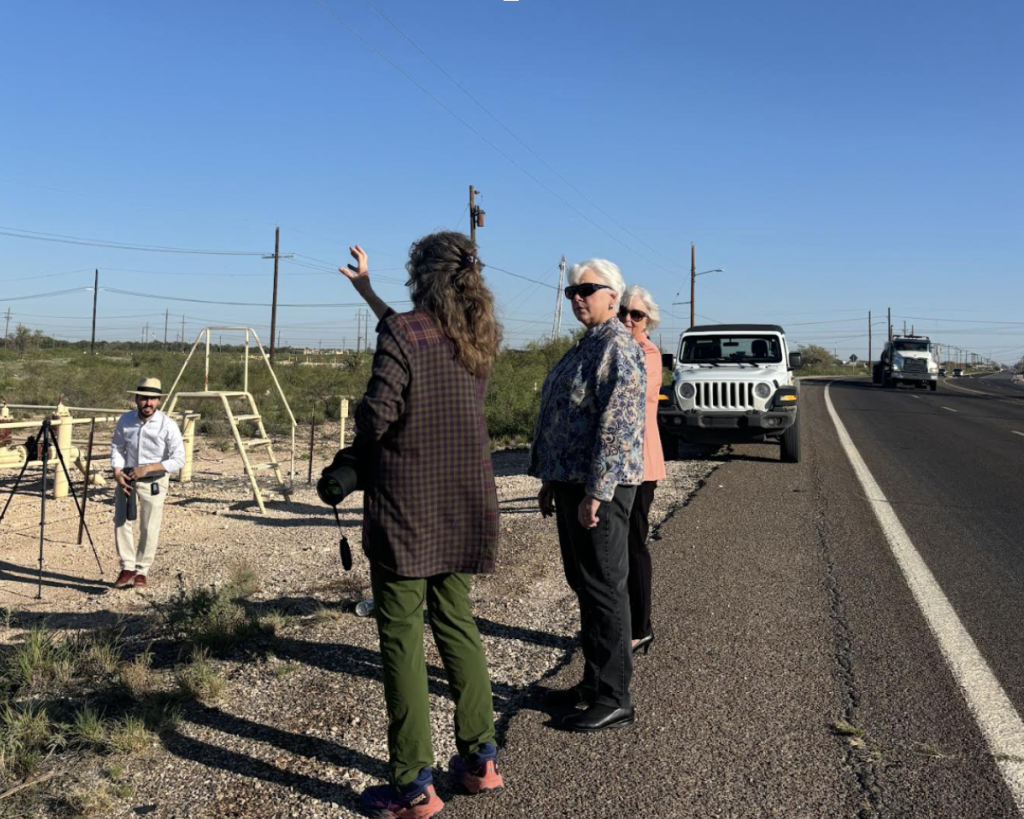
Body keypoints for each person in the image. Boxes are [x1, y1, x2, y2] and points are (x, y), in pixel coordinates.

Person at [340, 234, 505, 819]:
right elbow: (415, 333)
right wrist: (368, 292)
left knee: (403, 640)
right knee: (458, 624)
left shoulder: (407, 333)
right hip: (464, 506)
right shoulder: (478, 336)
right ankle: (481, 758)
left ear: (421, 276)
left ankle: (414, 786)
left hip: (407, 512)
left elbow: (378, 413)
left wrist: (352, 457)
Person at [530, 258, 646, 733]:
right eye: (571, 291)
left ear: (612, 297)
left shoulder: (618, 346)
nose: (577, 297)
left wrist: (597, 491)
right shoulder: (587, 344)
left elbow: (617, 427)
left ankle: (616, 696)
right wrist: (550, 480)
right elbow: (565, 417)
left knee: (603, 587)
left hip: (602, 488)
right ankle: (594, 681)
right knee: (585, 585)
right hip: (572, 483)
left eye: (587, 289)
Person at [618, 285, 666, 656]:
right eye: (623, 312)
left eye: (636, 315)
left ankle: (641, 626)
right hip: (619, 464)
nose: (628, 319)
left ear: (648, 320)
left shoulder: (647, 354)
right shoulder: (618, 346)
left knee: (634, 543)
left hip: (642, 463)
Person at [110, 377, 185, 589]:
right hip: (127, 479)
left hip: (154, 481)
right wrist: (117, 471)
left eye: (153, 399)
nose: (148, 403)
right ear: (136, 398)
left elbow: (178, 459)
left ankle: (142, 570)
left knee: (149, 526)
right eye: (144, 398)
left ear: (159, 401)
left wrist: (149, 467)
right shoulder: (126, 421)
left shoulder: (167, 425)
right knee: (122, 522)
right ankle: (127, 566)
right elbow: (117, 447)